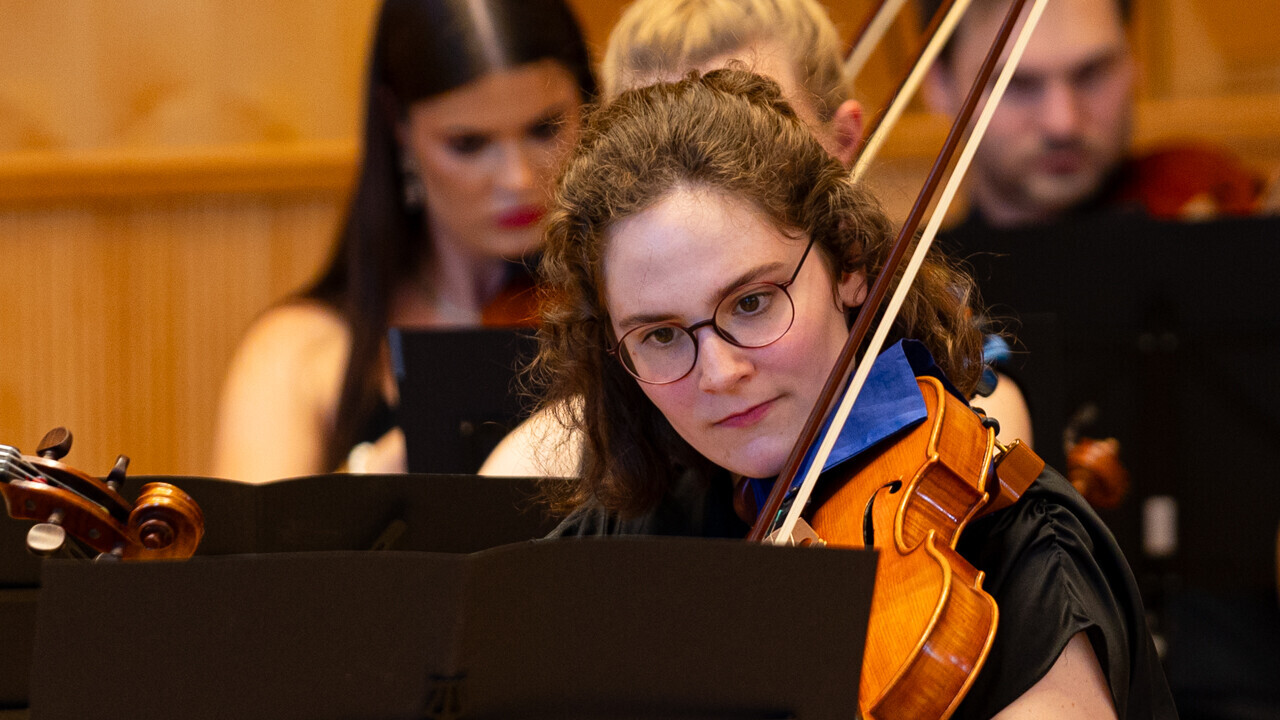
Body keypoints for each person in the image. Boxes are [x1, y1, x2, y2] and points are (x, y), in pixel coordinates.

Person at [527, 68, 1177, 719]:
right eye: (661, 335)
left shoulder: (1017, 550)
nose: (719, 372)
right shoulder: (654, 527)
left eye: (752, 303)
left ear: (851, 266)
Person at [480, 0, 1033, 478]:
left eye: (755, 124)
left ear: (840, 144)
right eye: (647, 147)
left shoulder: (958, 423)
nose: (696, 183)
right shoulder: (598, 432)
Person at [211, 0, 595, 483]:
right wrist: (375, 470)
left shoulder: (627, 317)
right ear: (399, 128)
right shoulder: (301, 354)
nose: (517, 178)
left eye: (545, 128)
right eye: (469, 143)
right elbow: (260, 552)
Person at [922, 0, 1266, 228]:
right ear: (938, 86)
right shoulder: (916, 310)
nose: (1064, 123)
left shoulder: (1204, 210)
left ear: (1136, 62)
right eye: (1018, 84)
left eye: (1093, 72)